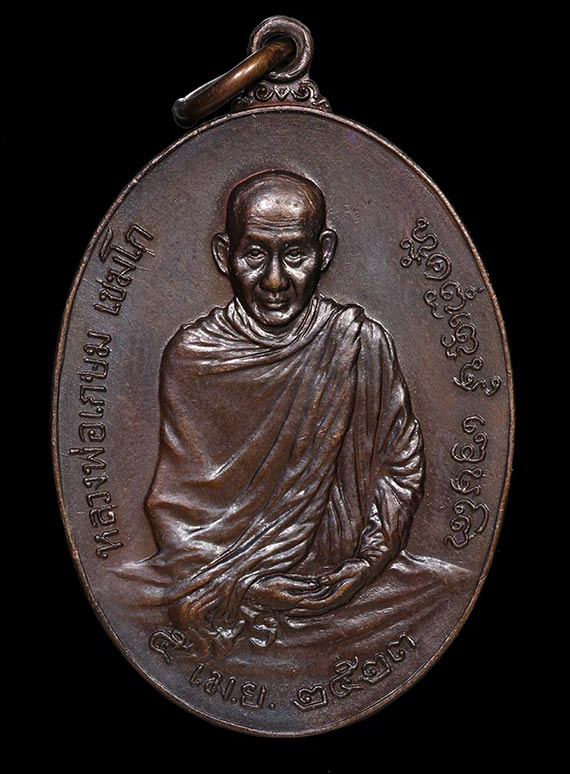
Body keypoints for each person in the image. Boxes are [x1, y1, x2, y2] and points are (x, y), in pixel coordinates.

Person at [142, 170, 426, 656]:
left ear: (325, 253)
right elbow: (177, 510)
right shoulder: (195, 358)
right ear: (224, 255)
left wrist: (363, 568)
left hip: (350, 579)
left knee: (439, 590)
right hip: (222, 582)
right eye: (255, 255)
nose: (275, 281)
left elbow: (399, 470)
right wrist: (248, 585)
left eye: (295, 255)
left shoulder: (360, 345)